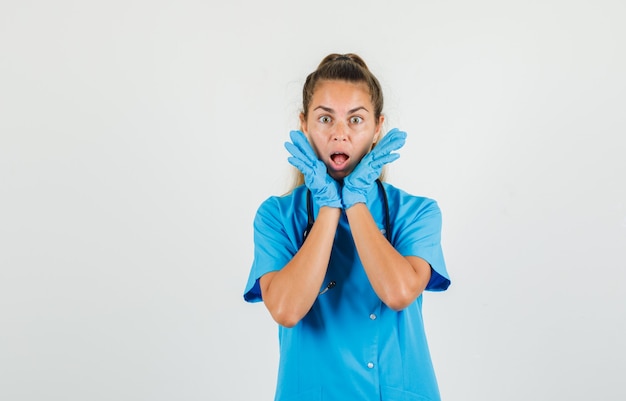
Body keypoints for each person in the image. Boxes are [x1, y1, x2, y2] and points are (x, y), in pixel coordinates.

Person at [243, 53, 451, 401]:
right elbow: (286, 309)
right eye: (325, 118)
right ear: (304, 124)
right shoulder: (277, 216)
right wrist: (328, 206)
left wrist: (354, 201)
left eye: (356, 119)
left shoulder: (416, 213)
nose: (340, 134)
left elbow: (399, 293)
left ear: (377, 129)